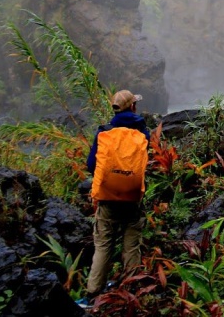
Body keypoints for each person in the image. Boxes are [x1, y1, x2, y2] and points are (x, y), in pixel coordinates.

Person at [79, 89, 150, 307]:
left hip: (108, 198)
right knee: (131, 245)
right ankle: (132, 293)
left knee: (103, 245)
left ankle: (93, 295)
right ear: (133, 107)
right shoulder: (143, 133)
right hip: (132, 198)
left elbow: (91, 165)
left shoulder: (104, 132)